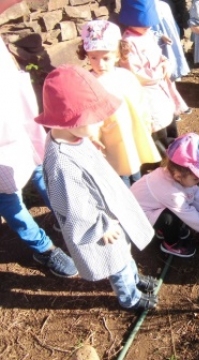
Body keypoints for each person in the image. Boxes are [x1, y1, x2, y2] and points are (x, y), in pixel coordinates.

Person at [37, 65, 158, 311]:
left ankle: (135, 279)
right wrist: (100, 226)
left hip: (108, 208)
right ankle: (129, 297)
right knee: (116, 260)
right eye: (93, 120)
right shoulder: (61, 162)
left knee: (124, 251)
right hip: (98, 224)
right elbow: (72, 205)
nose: (100, 124)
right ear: (68, 121)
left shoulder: (70, 135)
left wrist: (89, 139)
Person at [0, 0, 78, 279]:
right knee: (8, 197)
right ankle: (43, 249)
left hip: (19, 125)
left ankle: (65, 218)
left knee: (43, 170)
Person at [78, 19, 161, 187]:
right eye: (93, 58)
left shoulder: (126, 76)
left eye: (106, 58)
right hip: (110, 138)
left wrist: (147, 121)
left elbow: (140, 101)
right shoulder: (88, 83)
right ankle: (128, 198)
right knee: (119, 171)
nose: (99, 64)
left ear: (118, 54)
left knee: (134, 160)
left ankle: (138, 189)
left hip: (132, 130)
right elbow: (88, 115)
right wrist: (93, 136)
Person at [131, 133, 199, 258]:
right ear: (178, 176)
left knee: (178, 210)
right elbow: (190, 215)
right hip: (137, 216)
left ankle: (163, 228)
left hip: (151, 206)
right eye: (196, 179)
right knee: (170, 218)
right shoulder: (170, 192)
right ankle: (171, 244)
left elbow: (198, 197)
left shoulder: (176, 176)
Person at [118, 0, 191, 155]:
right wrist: (157, 75)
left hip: (161, 86)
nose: (149, 26)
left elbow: (158, 55)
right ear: (131, 20)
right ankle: (165, 158)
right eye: (144, 24)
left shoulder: (148, 34)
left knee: (169, 116)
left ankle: (176, 148)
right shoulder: (128, 42)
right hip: (148, 91)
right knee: (157, 125)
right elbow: (134, 73)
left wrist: (165, 63)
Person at [152, 0, 191, 82]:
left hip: (169, 37)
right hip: (155, 41)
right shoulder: (148, 7)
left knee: (170, 59)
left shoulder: (165, 5)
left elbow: (173, 25)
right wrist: (159, 35)